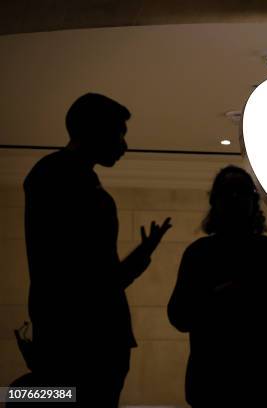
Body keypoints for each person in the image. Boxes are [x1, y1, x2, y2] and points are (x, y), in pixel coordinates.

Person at [23, 93, 172, 407]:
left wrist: (140, 257)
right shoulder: (59, 176)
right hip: (83, 339)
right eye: (118, 133)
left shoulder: (58, 175)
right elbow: (91, 276)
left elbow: (94, 273)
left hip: (78, 336)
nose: (123, 145)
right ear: (94, 130)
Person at [168, 165, 267, 408]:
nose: (235, 200)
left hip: (238, 385)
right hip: (244, 384)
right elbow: (179, 316)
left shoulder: (200, 254)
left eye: (240, 193)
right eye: (229, 193)